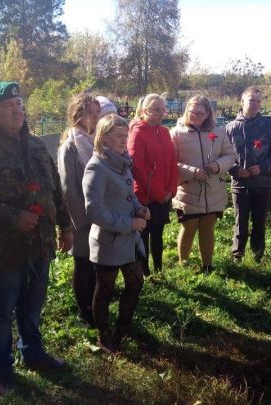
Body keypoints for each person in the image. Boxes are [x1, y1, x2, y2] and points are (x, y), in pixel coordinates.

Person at [0, 82, 73, 395]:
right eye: (9, 105)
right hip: (5, 249)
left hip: (40, 243)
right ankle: (1, 371)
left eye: (19, 104)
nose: (18, 110)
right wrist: (12, 216)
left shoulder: (34, 144)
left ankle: (33, 353)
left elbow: (54, 188)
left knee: (33, 305)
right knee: (1, 311)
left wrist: (65, 225)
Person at [83, 114, 149, 353]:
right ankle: (104, 334)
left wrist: (138, 208)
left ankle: (124, 327)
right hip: (109, 242)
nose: (125, 140)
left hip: (128, 240)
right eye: (119, 136)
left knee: (135, 285)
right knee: (105, 290)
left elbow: (128, 195)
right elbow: (94, 211)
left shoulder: (122, 161)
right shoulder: (96, 167)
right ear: (104, 138)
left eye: (126, 135)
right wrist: (130, 223)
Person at [170, 95, 236, 272]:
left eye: (200, 113)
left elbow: (230, 155)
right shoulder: (176, 133)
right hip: (188, 190)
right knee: (188, 227)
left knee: (208, 228)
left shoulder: (219, 132)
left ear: (208, 113)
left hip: (213, 190)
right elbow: (169, 162)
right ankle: (183, 263)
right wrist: (190, 172)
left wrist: (217, 165)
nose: (196, 115)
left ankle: (207, 265)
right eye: (192, 112)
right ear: (187, 111)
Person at [225, 87, 271, 263]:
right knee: (240, 221)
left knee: (259, 221)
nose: (256, 104)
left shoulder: (269, 126)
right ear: (242, 102)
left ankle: (258, 255)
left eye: (259, 101)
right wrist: (235, 170)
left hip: (262, 182)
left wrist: (262, 167)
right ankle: (238, 256)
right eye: (252, 100)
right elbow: (223, 156)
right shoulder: (230, 128)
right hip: (240, 184)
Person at [57, 93, 101, 328]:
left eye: (97, 111)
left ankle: (95, 303)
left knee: (96, 261)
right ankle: (84, 310)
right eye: (89, 112)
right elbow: (68, 188)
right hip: (82, 217)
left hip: (100, 214)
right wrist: (83, 219)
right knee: (83, 263)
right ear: (77, 115)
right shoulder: (70, 146)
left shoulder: (97, 142)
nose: (95, 116)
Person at [127, 94, 178, 274]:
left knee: (158, 234)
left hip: (164, 194)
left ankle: (158, 269)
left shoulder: (164, 131)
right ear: (144, 110)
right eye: (156, 109)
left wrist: (171, 189)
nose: (161, 113)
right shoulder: (137, 132)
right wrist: (158, 193)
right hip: (145, 196)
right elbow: (137, 168)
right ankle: (144, 273)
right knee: (143, 235)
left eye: (163, 109)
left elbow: (172, 161)